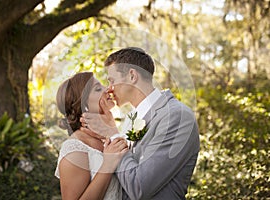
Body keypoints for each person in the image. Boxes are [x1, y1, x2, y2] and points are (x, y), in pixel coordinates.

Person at [80, 47, 200, 199]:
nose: (109, 89)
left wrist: (113, 134)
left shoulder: (177, 116)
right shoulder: (131, 119)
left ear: (132, 76)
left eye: (112, 81)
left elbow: (139, 187)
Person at [54, 72, 128, 200]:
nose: (108, 89)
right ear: (83, 104)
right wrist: (108, 165)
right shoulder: (75, 149)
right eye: (98, 89)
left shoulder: (109, 135)